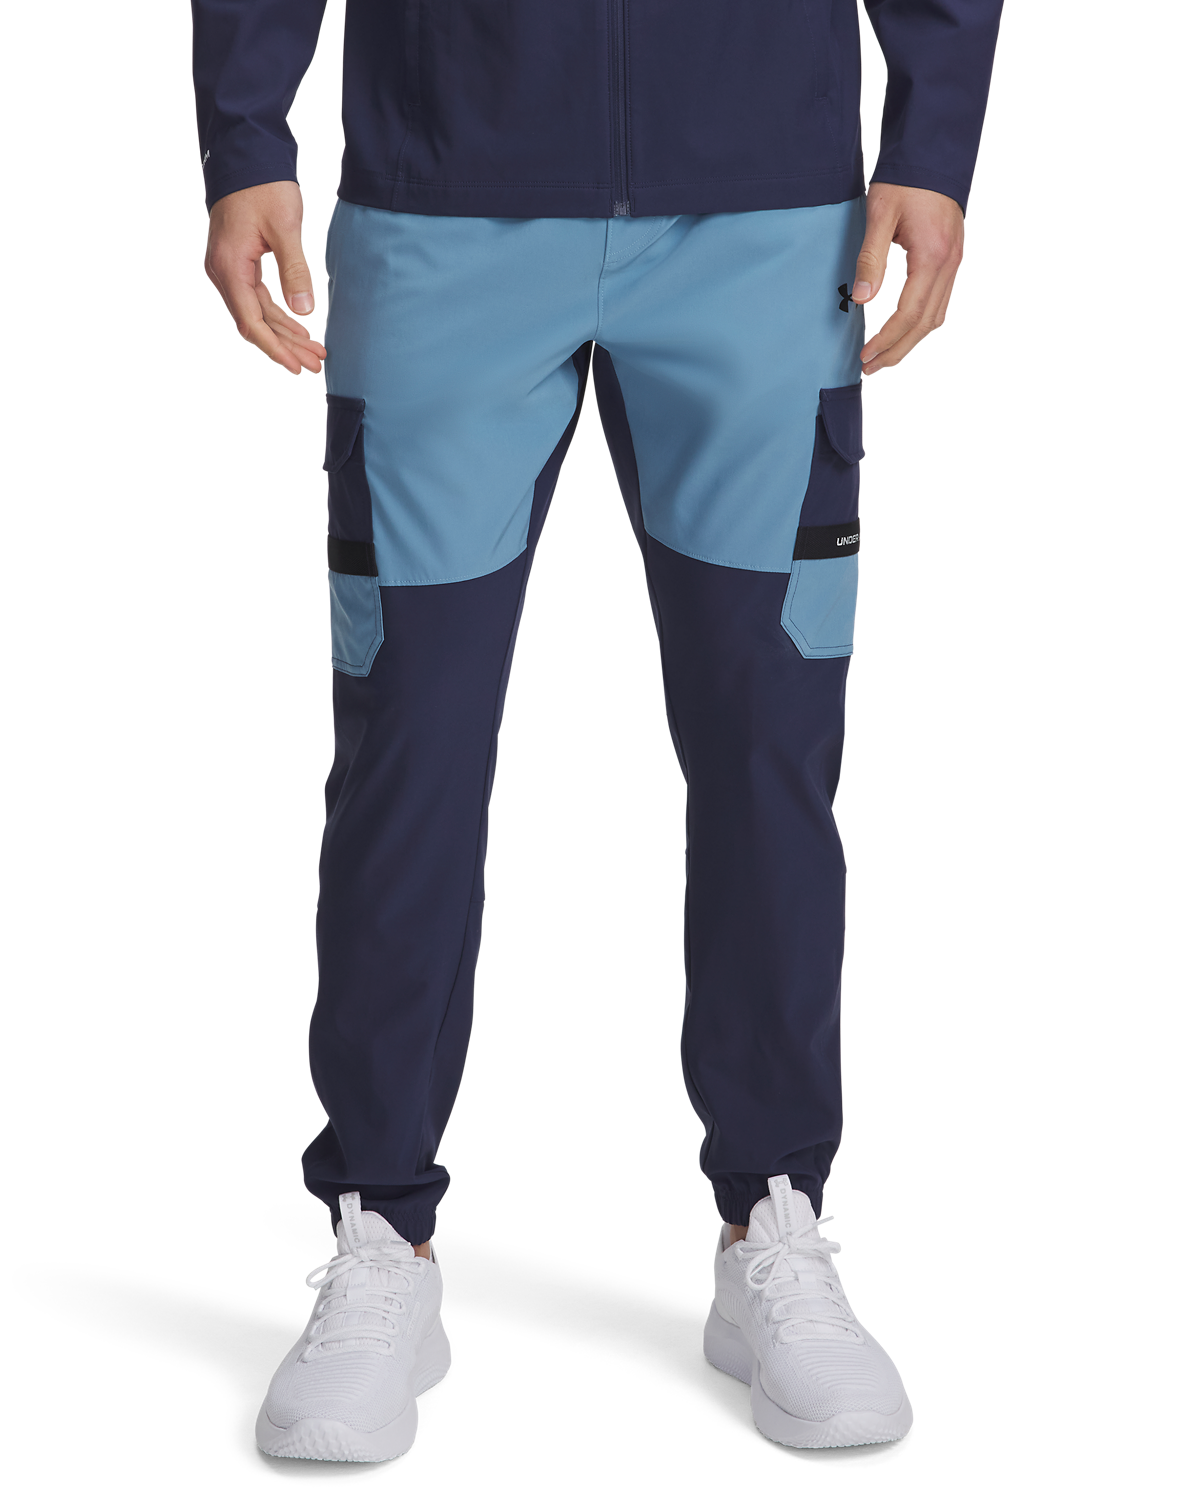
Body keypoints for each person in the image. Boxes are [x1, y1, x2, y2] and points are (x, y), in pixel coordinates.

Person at [193, 0, 1003, 1462]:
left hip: (768, 224)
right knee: (409, 751)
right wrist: (245, 130)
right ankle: (381, 1232)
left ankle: (772, 1218)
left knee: (767, 751)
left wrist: (934, 138)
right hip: (444, 207)